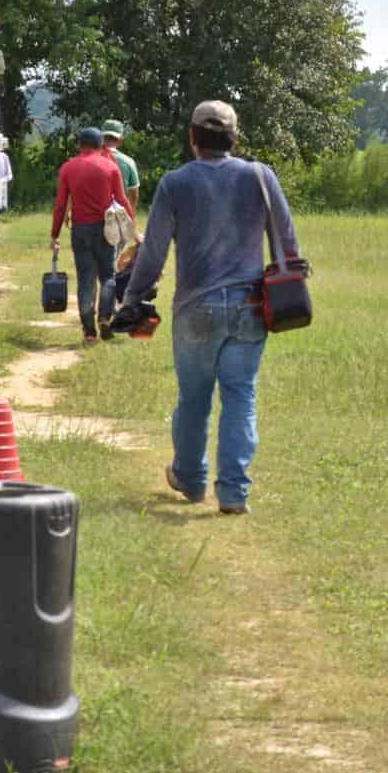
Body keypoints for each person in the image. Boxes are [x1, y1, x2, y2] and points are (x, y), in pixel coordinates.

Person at [121, 100, 299, 514]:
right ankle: (234, 493)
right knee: (241, 396)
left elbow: (154, 252)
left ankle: (191, 478)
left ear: (193, 137)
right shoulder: (260, 177)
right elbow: (286, 241)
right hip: (251, 307)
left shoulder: (175, 183)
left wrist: (134, 299)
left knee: (194, 398)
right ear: (234, 138)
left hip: (195, 309)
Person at [51, 126, 136, 344]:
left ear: (80, 145)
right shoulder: (110, 167)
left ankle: (89, 331)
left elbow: (61, 205)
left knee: (85, 278)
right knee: (107, 275)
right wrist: (132, 228)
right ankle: (105, 318)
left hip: (81, 229)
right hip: (106, 229)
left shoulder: (68, 168)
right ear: (101, 145)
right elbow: (122, 199)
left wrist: (55, 234)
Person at [101, 120, 140, 213]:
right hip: (118, 215)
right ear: (120, 139)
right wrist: (131, 214)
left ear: (101, 138)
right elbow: (134, 194)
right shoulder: (128, 162)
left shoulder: (90, 160)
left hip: (92, 215)